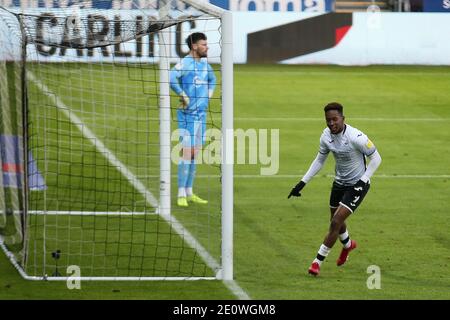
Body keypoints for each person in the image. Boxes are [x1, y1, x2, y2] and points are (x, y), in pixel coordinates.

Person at [288, 102, 382, 276]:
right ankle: (348, 245)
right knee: (336, 221)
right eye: (328, 120)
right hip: (339, 183)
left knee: (335, 222)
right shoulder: (325, 136)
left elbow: (376, 158)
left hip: (357, 185)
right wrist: (302, 182)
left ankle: (317, 262)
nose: (331, 123)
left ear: (343, 119)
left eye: (334, 119)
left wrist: (363, 180)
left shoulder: (357, 137)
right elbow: (319, 160)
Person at [170, 32, 216, 207]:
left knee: (195, 154)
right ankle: (181, 193)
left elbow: (213, 79)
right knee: (186, 152)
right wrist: (182, 95)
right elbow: (171, 77)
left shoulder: (204, 65)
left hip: (201, 116)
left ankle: (189, 191)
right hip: (187, 116)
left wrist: (209, 95)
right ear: (194, 46)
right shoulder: (185, 63)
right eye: (204, 44)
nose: (207, 47)